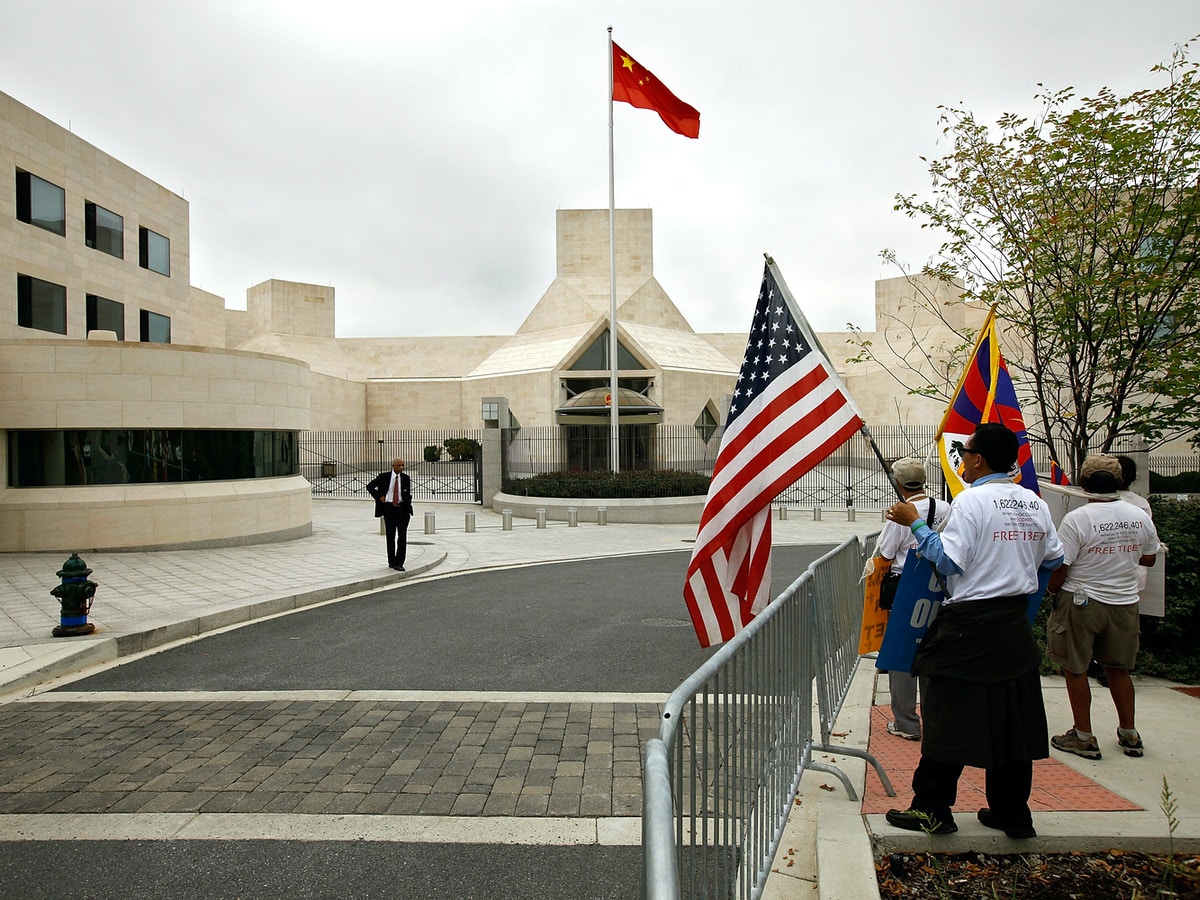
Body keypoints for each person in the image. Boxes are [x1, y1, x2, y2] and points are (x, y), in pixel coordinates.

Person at [882, 423, 1063, 840]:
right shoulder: (1034, 503)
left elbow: (947, 561)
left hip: (968, 625)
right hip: (1013, 624)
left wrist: (915, 523)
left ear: (979, 459)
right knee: (1013, 718)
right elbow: (1054, 557)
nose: (961, 461)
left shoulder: (971, 501)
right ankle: (1012, 812)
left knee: (948, 713)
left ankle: (932, 808)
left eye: (965, 454)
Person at [1045, 455, 1159, 760]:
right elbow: (1149, 558)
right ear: (1120, 482)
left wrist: (1052, 589)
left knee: (1075, 667)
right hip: (1124, 601)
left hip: (1081, 602)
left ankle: (1083, 735)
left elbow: (1061, 565)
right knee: (1119, 669)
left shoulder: (1078, 519)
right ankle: (1129, 732)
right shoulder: (1139, 515)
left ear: (1084, 483)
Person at [875, 456, 949, 741]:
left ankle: (906, 722)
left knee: (902, 656)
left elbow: (886, 553)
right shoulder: (946, 508)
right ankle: (934, 720)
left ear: (898, 483)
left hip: (905, 588)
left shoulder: (901, 512)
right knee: (932, 652)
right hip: (936, 586)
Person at [366, 458, 414, 570]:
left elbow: (407, 493)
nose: (401, 468)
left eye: (402, 465)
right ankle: (392, 561)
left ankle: (400, 562)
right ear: (393, 465)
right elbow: (370, 486)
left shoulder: (406, 478)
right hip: (389, 509)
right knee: (390, 536)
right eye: (398, 465)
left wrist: (408, 501)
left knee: (402, 536)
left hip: (402, 510)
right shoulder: (384, 477)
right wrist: (379, 497)